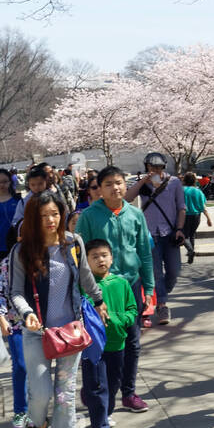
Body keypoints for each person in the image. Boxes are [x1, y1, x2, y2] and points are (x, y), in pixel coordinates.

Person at [10, 192, 108, 428]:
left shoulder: (72, 243)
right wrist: (27, 314)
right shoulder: (22, 250)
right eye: (43, 216)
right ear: (32, 219)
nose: (50, 220)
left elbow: (86, 277)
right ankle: (39, 426)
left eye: (54, 214)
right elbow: (15, 292)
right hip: (37, 333)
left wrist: (99, 300)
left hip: (70, 333)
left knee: (64, 394)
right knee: (40, 393)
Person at [74, 166, 155, 414]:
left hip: (129, 286)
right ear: (99, 188)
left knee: (132, 342)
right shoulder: (89, 216)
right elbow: (79, 255)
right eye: (108, 184)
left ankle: (128, 393)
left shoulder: (135, 214)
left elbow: (144, 252)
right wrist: (84, 290)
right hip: (98, 289)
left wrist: (150, 287)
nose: (115, 188)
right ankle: (95, 388)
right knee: (99, 342)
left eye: (119, 182)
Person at [79, 238, 138, 428]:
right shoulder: (84, 286)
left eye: (104, 255)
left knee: (112, 385)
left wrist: (117, 319)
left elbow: (132, 310)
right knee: (97, 387)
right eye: (94, 257)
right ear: (86, 261)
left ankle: (106, 411)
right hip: (93, 346)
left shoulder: (121, 284)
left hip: (117, 344)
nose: (100, 260)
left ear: (112, 258)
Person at [125, 152, 187, 324]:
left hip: (170, 233)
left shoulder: (174, 183)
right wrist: (143, 181)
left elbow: (181, 207)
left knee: (174, 271)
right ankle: (161, 305)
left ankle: (160, 295)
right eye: (152, 167)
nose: (155, 170)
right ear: (147, 167)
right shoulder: (143, 183)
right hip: (149, 235)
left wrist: (180, 229)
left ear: (164, 167)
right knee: (156, 273)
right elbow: (127, 198)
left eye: (158, 167)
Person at [0, 236, 31, 428]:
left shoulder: (47, 258)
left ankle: (36, 411)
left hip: (43, 325)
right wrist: (2, 318)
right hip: (16, 324)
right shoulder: (7, 262)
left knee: (39, 370)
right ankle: (21, 412)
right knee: (21, 366)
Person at [181, 172, 213, 266]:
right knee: (192, 234)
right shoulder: (198, 191)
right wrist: (208, 219)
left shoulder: (181, 190)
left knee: (184, 235)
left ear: (184, 180)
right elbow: (203, 206)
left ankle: (190, 250)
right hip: (196, 216)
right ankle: (191, 254)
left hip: (184, 215)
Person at [11, 164, 51, 228]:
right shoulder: (23, 202)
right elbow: (16, 222)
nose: (36, 187)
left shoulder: (54, 198)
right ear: (28, 184)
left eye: (40, 184)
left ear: (46, 182)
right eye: (33, 185)